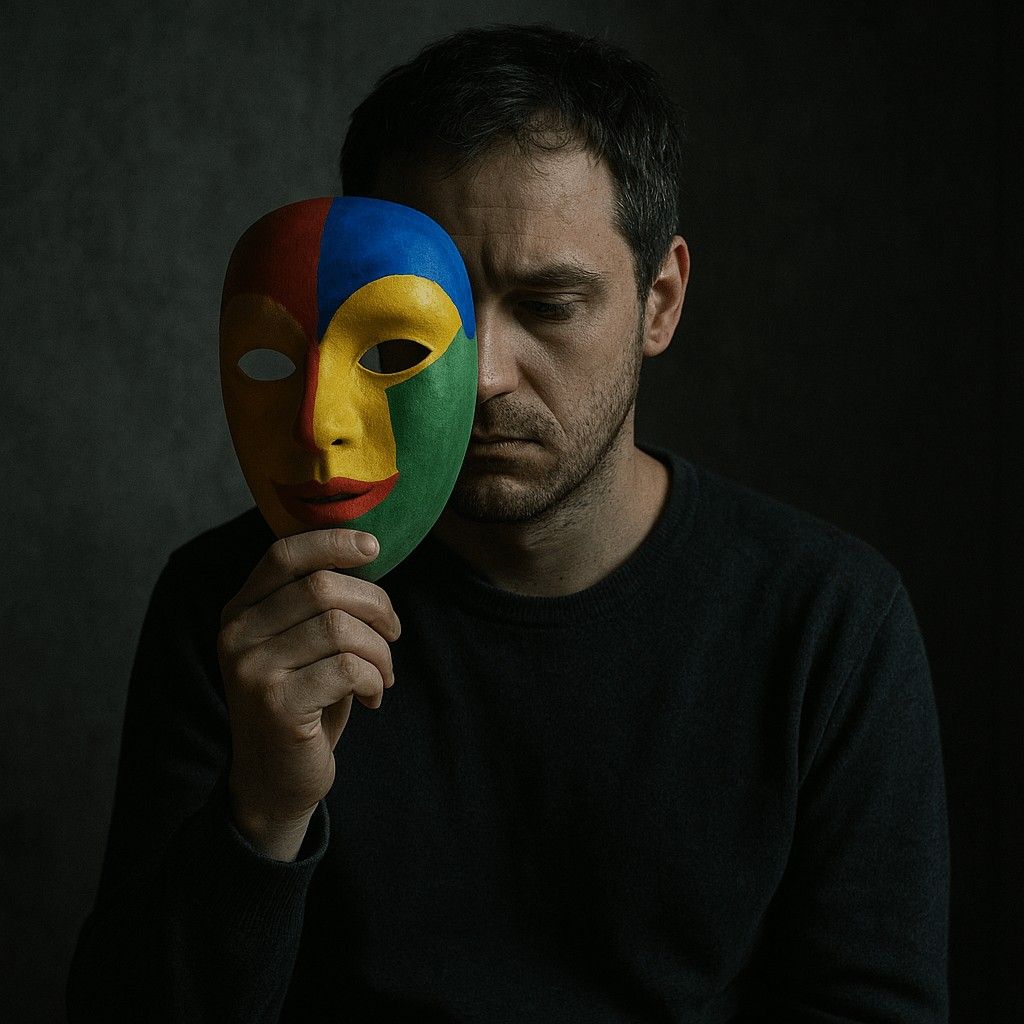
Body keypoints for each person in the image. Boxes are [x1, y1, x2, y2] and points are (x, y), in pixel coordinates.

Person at [67, 23, 950, 1023]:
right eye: (428, 314)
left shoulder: (828, 622)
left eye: (549, 304)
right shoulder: (248, 611)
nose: (483, 373)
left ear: (659, 302)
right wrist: (264, 811)